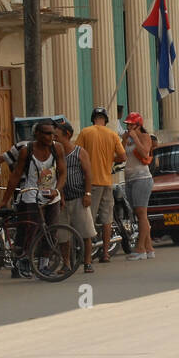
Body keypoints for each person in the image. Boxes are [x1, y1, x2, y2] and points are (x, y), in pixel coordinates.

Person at [11, 119, 66, 277]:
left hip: (51, 196)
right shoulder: (26, 151)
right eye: (47, 133)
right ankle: (24, 261)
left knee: (51, 231)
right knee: (31, 230)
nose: (51, 136)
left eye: (53, 134)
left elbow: (62, 173)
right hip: (30, 195)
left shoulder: (57, 149)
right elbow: (15, 176)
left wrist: (57, 190)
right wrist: (5, 198)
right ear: (37, 134)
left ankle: (44, 264)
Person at [75, 107, 126, 264]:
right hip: (107, 182)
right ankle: (105, 253)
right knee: (106, 219)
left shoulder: (85, 132)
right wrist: (110, 159)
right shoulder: (112, 134)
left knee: (88, 219)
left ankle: (87, 256)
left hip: (91, 183)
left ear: (93, 118)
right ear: (105, 119)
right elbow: (123, 156)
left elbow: (77, 154)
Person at [56, 121, 96, 273]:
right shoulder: (56, 153)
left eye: (57, 135)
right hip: (62, 200)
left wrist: (87, 194)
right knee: (63, 235)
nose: (55, 138)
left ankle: (87, 262)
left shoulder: (79, 152)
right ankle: (66, 263)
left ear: (67, 135)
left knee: (86, 232)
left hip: (79, 197)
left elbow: (88, 174)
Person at [122, 112, 155, 259]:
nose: (128, 127)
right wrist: (123, 140)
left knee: (141, 213)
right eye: (127, 124)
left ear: (138, 125)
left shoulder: (144, 136)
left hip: (142, 178)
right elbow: (121, 155)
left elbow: (145, 152)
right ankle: (149, 248)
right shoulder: (127, 138)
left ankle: (140, 248)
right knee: (139, 214)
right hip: (129, 178)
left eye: (130, 124)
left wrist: (135, 137)